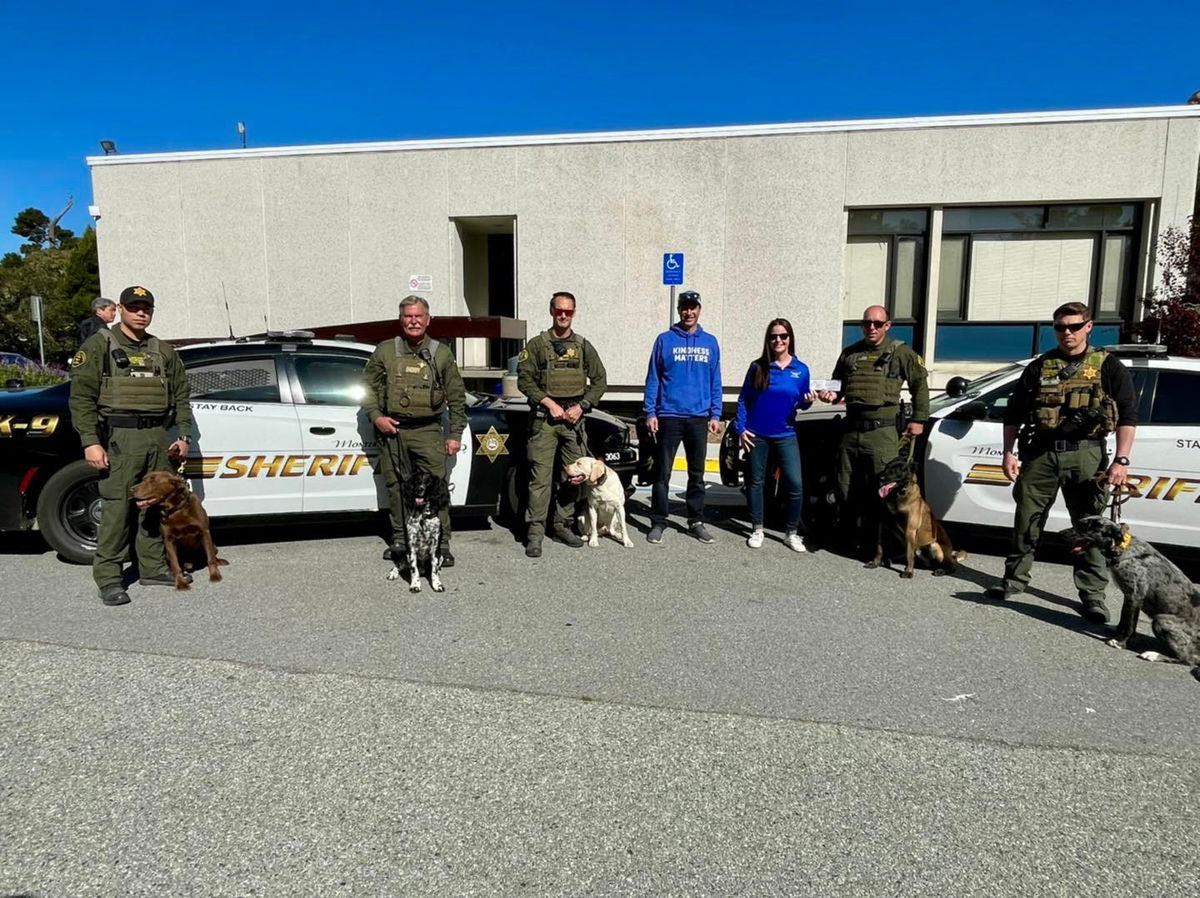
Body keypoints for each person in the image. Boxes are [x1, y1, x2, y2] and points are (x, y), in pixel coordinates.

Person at [984, 301, 1137, 622]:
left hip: (1087, 454)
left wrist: (1121, 460)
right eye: (1060, 327)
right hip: (1040, 453)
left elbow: (1127, 415)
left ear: (1088, 327)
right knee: (1027, 519)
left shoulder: (1108, 366)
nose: (1067, 333)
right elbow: (1013, 413)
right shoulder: (1040, 366)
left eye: (1074, 326)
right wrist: (1008, 452)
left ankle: (1093, 596)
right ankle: (1014, 580)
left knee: (1090, 526)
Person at [68, 286, 194, 606]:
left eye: (146, 308)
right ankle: (109, 578)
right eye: (134, 307)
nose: (141, 312)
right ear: (120, 309)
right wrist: (90, 443)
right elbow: (81, 399)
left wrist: (183, 436)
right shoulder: (100, 345)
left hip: (158, 438)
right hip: (121, 438)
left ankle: (152, 567)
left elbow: (181, 395)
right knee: (116, 509)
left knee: (154, 506)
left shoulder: (163, 350)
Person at [363, 295, 467, 570]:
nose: (413, 321)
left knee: (436, 489)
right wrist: (376, 417)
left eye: (418, 316)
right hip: (393, 431)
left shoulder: (441, 353)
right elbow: (367, 388)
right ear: (401, 320)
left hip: (428, 432)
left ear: (428, 319)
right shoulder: (385, 351)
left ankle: (441, 545)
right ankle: (400, 540)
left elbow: (456, 398)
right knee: (396, 488)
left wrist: (454, 434)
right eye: (408, 316)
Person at [817, 305, 929, 560]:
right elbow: (839, 388)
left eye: (878, 323)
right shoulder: (850, 353)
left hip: (882, 433)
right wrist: (830, 395)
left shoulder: (901, 353)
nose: (872, 328)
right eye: (867, 323)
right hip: (851, 430)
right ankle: (855, 540)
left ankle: (886, 548)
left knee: (883, 491)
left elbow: (920, 385)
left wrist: (919, 419)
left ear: (887, 325)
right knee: (846, 488)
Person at [517, 291, 608, 558]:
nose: (564, 315)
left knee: (572, 478)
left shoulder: (583, 346)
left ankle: (562, 525)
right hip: (545, 421)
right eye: (559, 311)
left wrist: (582, 406)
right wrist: (549, 403)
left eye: (568, 311)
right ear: (552, 311)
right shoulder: (536, 345)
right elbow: (524, 380)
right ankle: (534, 533)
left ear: (574, 312)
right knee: (540, 480)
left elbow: (600, 381)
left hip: (574, 422)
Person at [643, 290, 723, 545]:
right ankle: (658, 521)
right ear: (679, 310)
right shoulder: (665, 340)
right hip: (668, 416)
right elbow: (653, 378)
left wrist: (716, 413)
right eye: (685, 307)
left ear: (699, 309)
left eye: (693, 307)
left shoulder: (710, 342)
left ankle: (696, 521)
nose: (689, 312)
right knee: (662, 472)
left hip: (698, 418)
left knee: (697, 473)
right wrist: (650, 412)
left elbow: (716, 381)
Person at [734, 318, 813, 552]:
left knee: (795, 484)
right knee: (756, 482)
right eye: (773, 336)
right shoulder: (758, 367)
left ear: (790, 339)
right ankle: (757, 528)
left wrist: (808, 402)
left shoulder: (801, 369)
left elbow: (800, 402)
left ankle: (791, 532)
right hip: (756, 434)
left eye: (783, 336)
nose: (778, 340)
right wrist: (740, 428)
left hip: (785, 433)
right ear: (768, 340)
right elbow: (743, 400)